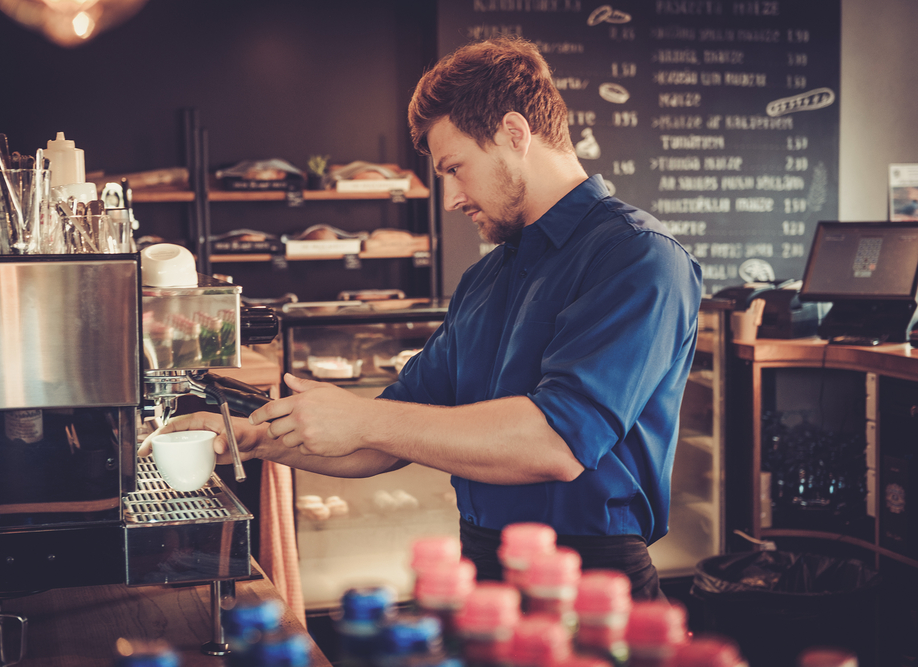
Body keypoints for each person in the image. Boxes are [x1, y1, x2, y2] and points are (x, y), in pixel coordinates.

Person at [140, 36, 702, 600]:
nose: (452, 198)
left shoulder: (636, 256)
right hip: (481, 571)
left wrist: (362, 420)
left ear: (514, 133)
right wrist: (252, 439)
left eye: (456, 168)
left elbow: (556, 442)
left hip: (591, 584)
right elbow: (389, 434)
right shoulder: (486, 279)